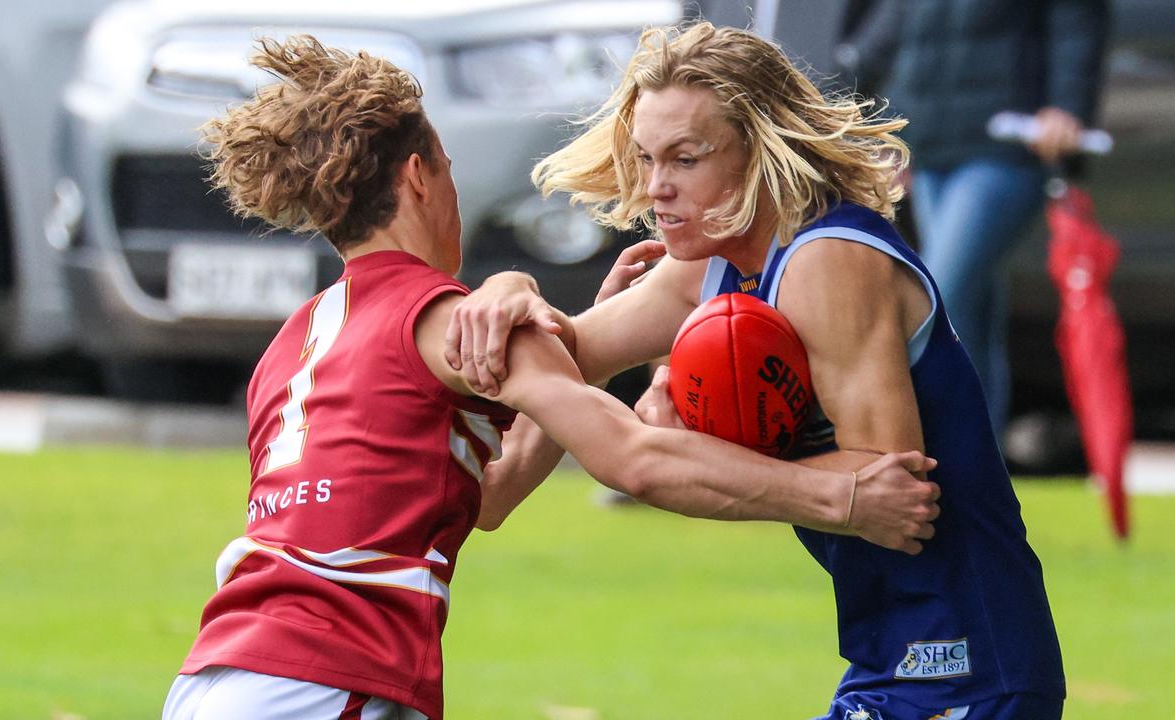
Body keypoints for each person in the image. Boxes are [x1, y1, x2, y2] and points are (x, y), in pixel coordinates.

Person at [161, 34, 940, 720]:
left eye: (682, 158)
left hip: (214, 672)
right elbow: (631, 457)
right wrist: (840, 495)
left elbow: (482, 495)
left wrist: (533, 315)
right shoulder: (444, 318)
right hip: (325, 681)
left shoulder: (295, 343)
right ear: (421, 178)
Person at [447, 22, 1064, 720]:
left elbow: (894, 496)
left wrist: (687, 436)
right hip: (889, 658)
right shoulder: (706, 268)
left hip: (969, 664)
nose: (656, 188)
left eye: (685, 159)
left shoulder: (826, 260)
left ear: (759, 149)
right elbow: (553, 373)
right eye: (648, 159)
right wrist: (507, 293)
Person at [881, 0, 1110, 437]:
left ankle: (951, 461)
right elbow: (906, 39)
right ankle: (985, 480)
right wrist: (895, 130)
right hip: (934, 153)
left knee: (936, 298)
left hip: (1006, 145)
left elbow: (1078, 19)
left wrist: (1068, 106)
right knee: (969, 320)